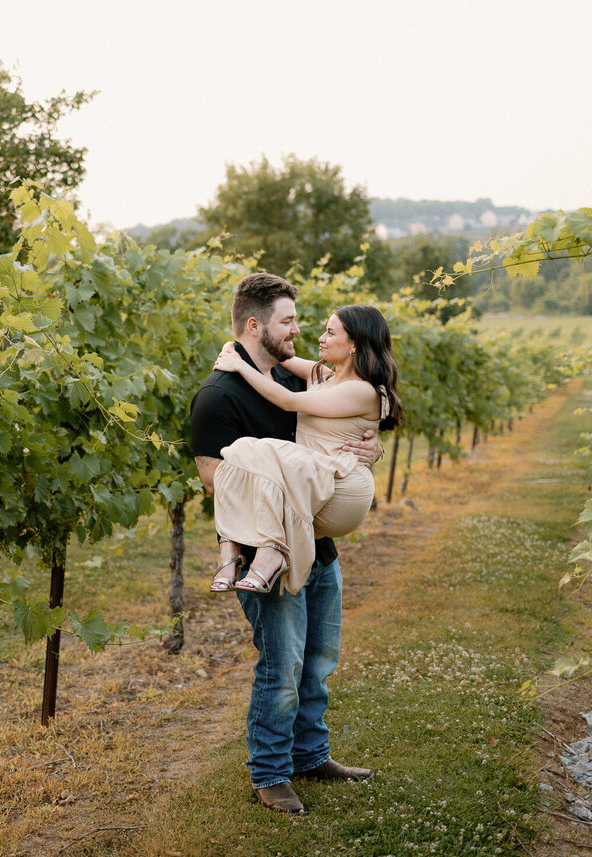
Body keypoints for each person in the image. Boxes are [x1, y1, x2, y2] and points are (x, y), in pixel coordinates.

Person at [189, 272, 381, 816]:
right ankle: (271, 772)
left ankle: (310, 754)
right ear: (256, 325)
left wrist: (366, 453)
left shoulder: (300, 385)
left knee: (317, 660)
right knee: (282, 664)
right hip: (265, 552)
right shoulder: (218, 395)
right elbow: (214, 480)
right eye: (289, 321)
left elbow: (336, 436)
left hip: (319, 546)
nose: (299, 330)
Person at [208, 303, 403, 596]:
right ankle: (231, 551)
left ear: (354, 345)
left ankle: (270, 554)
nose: (321, 339)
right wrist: (236, 345)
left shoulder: (362, 390)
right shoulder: (323, 375)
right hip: (310, 483)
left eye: (329, 332)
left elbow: (288, 401)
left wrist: (239, 365)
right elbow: (278, 355)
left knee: (262, 450)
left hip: (341, 491)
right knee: (237, 452)